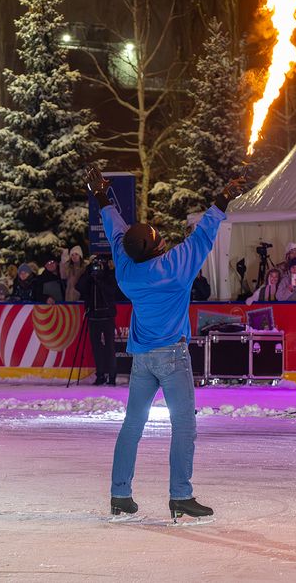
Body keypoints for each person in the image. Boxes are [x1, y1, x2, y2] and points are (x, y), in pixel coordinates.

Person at [89, 164, 238, 523]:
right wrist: (222, 199)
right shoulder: (175, 270)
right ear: (157, 248)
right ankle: (180, 496)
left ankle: (120, 495)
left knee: (132, 426)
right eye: (160, 240)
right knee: (184, 425)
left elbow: (116, 233)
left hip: (141, 359)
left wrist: (102, 198)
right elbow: (202, 236)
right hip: (172, 357)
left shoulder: (127, 272)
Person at [77, 256, 120, 386]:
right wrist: (88, 274)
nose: (98, 266)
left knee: (110, 347)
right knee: (96, 348)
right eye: (96, 264)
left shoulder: (109, 275)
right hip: (93, 316)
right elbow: (79, 287)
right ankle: (100, 374)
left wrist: (100, 280)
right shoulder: (90, 276)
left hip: (107, 316)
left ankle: (112, 375)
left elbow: (113, 291)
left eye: (100, 263)